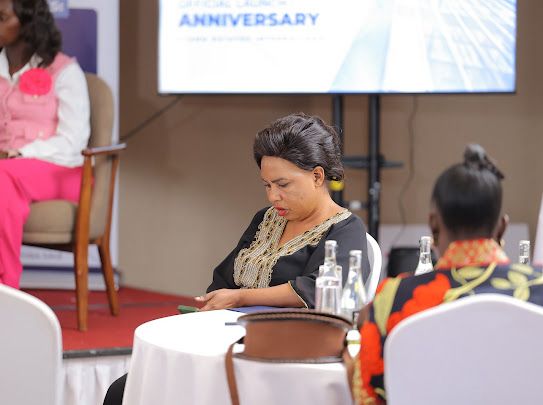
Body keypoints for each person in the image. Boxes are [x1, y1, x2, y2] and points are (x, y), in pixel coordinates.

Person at [103, 113, 371, 404]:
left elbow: (320, 289)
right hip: (230, 343)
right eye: (267, 185)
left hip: (282, 361)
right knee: (122, 390)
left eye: (283, 184)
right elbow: (225, 279)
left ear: (317, 176)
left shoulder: (345, 229)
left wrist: (242, 297)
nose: (273, 196)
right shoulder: (266, 220)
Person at [353, 144, 543, 404]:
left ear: (433, 225)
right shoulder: (538, 287)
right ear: (502, 228)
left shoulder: (392, 298)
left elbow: (369, 393)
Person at [0, 0, 90, 288]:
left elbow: (73, 141)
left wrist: (21, 153)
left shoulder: (64, 71)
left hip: (60, 169)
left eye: (1, 17)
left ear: (28, 22)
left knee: (3, 175)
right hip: (7, 171)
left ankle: (6, 287)